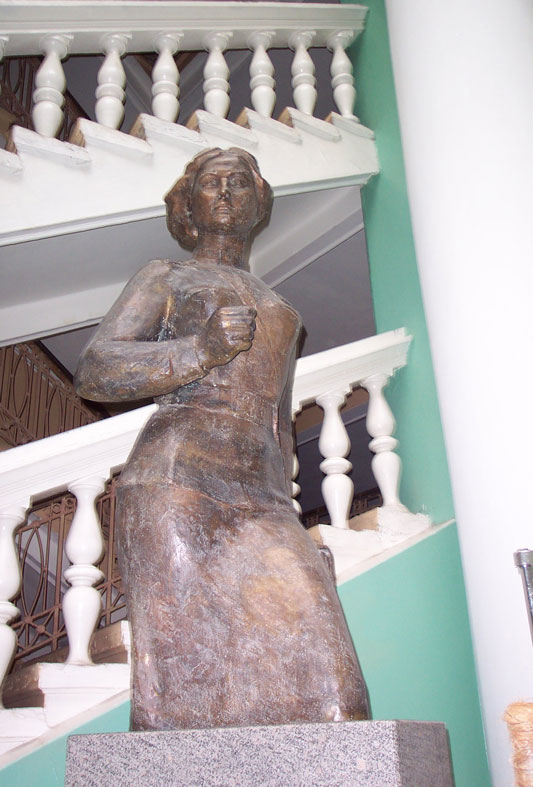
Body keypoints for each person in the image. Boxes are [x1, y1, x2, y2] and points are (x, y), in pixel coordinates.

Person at [75, 147, 369, 731]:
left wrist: (292, 523)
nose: (228, 192)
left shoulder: (284, 311)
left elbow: (278, 420)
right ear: (188, 205)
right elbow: (96, 371)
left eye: (240, 182)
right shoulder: (167, 277)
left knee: (336, 695)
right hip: (177, 480)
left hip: (262, 500)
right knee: (181, 692)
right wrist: (198, 350)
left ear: (260, 203)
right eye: (212, 183)